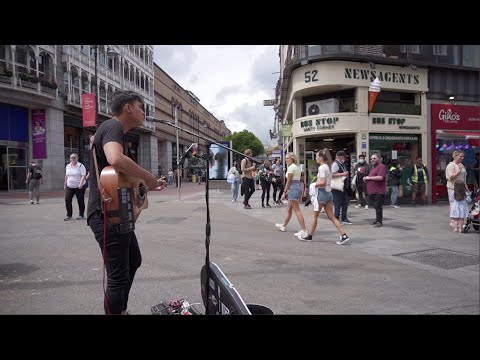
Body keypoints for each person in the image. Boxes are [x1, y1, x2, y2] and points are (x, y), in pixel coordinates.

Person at [87, 90, 167, 315]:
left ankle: (120, 310)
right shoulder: (113, 127)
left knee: (133, 260)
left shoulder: (115, 131)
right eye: (141, 107)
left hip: (116, 214)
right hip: (106, 215)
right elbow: (116, 159)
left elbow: (118, 174)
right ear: (128, 108)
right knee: (117, 276)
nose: (144, 112)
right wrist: (149, 179)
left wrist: (145, 183)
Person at [298, 149, 351, 245]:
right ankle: (344, 235)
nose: (316, 158)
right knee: (332, 216)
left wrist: (314, 184)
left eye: (317, 156)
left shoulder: (322, 167)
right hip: (329, 194)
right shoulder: (329, 166)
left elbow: (322, 182)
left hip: (322, 194)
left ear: (322, 157)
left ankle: (309, 236)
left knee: (315, 216)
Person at [275, 152, 308, 238]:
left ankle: (304, 230)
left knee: (297, 211)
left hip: (293, 188)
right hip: (297, 187)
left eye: (287, 158)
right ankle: (283, 226)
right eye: (285, 158)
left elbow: (289, 181)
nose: (286, 160)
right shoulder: (296, 167)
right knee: (289, 209)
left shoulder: (291, 167)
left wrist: (284, 192)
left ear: (292, 158)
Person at [363, 153, 387, 227]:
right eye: (371, 159)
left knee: (378, 206)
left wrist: (369, 178)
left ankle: (379, 221)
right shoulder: (373, 167)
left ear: (379, 159)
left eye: (374, 158)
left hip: (379, 191)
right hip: (373, 191)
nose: (372, 160)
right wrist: (366, 178)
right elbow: (372, 176)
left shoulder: (381, 166)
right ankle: (377, 220)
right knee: (376, 206)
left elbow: (380, 177)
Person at [331, 150, 353, 225]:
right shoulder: (335, 164)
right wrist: (343, 174)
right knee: (337, 203)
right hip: (337, 187)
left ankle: (344, 218)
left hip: (343, 187)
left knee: (345, 203)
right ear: (339, 157)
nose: (344, 159)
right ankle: (336, 219)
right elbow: (332, 175)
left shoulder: (342, 164)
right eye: (343, 157)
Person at [64, 153, 87, 220]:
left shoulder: (80, 166)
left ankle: (81, 214)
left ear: (77, 158)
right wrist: (65, 184)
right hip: (70, 186)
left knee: (80, 200)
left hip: (79, 186)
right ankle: (69, 215)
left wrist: (81, 184)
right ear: (70, 158)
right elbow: (66, 175)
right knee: (67, 199)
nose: (73, 159)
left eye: (74, 157)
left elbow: (83, 175)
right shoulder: (68, 166)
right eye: (72, 157)